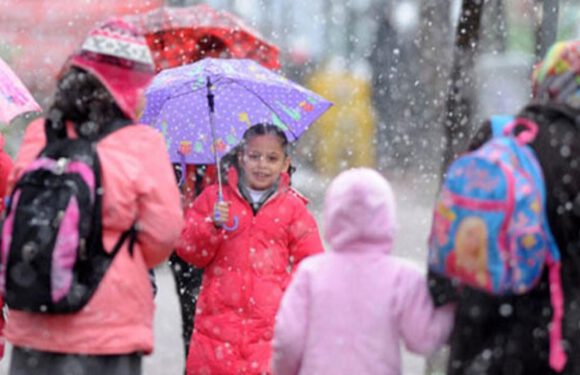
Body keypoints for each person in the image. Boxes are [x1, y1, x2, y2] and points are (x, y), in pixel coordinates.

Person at [4, 19, 183, 375]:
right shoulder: (142, 143)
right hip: (107, 328)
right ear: (127, 86)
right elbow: (163, 236)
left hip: (34, 317)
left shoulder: (42, 134)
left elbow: (15, 205)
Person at [428, 40, 580, 375]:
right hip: (550, 345)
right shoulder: (573, 153)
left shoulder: (499, 134)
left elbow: (448, 231)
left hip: (475, 338)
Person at [271, 168, 455, 375]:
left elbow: (288, 339)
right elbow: (423, 340)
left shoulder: (311, 273)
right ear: (388, 217)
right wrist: (452, 306)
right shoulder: (402, 277)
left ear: (333, 217)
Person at [176, 123, 324, 374]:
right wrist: (212, 226)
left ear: (285, 164)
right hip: (216, 334)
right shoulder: (216, 199)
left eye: (271, 158)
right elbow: (189, 251)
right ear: (241, 157)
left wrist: (283, 293)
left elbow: (312, 263)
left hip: (269, 334)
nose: (262, 165)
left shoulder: (293, 208)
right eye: (254, 156)